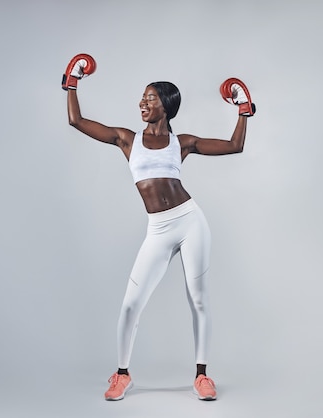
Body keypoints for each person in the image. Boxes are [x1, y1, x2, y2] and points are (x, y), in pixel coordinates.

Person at [61, 53, 255, 401]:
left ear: (165, 106)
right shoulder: (126, 139)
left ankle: (202, 376)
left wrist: (244, 110)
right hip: (158, 229)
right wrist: (72, 81)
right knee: (130, 304)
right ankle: (122, 374)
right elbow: (76, 120)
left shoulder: (183, 143)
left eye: (149, 98)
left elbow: (235, 146)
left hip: (191, 222)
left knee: (198, 299)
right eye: (142, 98)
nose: (142, 103)